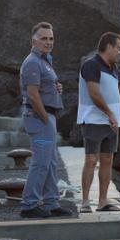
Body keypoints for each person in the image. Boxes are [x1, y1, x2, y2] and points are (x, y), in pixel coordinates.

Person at [19, 21, 73, 219]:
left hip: (48, 116)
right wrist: (45, 119)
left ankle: (51, 203)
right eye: (44, 38)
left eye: (51, 38)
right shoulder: (33, 62)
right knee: (40, 163)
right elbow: (33, 95)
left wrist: (56, 89)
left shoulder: (45, 60)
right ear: (34, 40)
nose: (48, 42)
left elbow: (43, 87)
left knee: (50, 162)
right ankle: (28, 205)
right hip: (40, 118)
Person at [76, 31, 120, 213]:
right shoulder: (91, 65)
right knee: (91, 160)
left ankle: (103, 201)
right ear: (109, 47)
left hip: (111, 122)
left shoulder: (113, 68)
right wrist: (110, 112)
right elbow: (94, 93)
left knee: (107, 159)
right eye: (119, 48)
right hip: (93, 120)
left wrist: (115, 105)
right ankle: (84, 202)